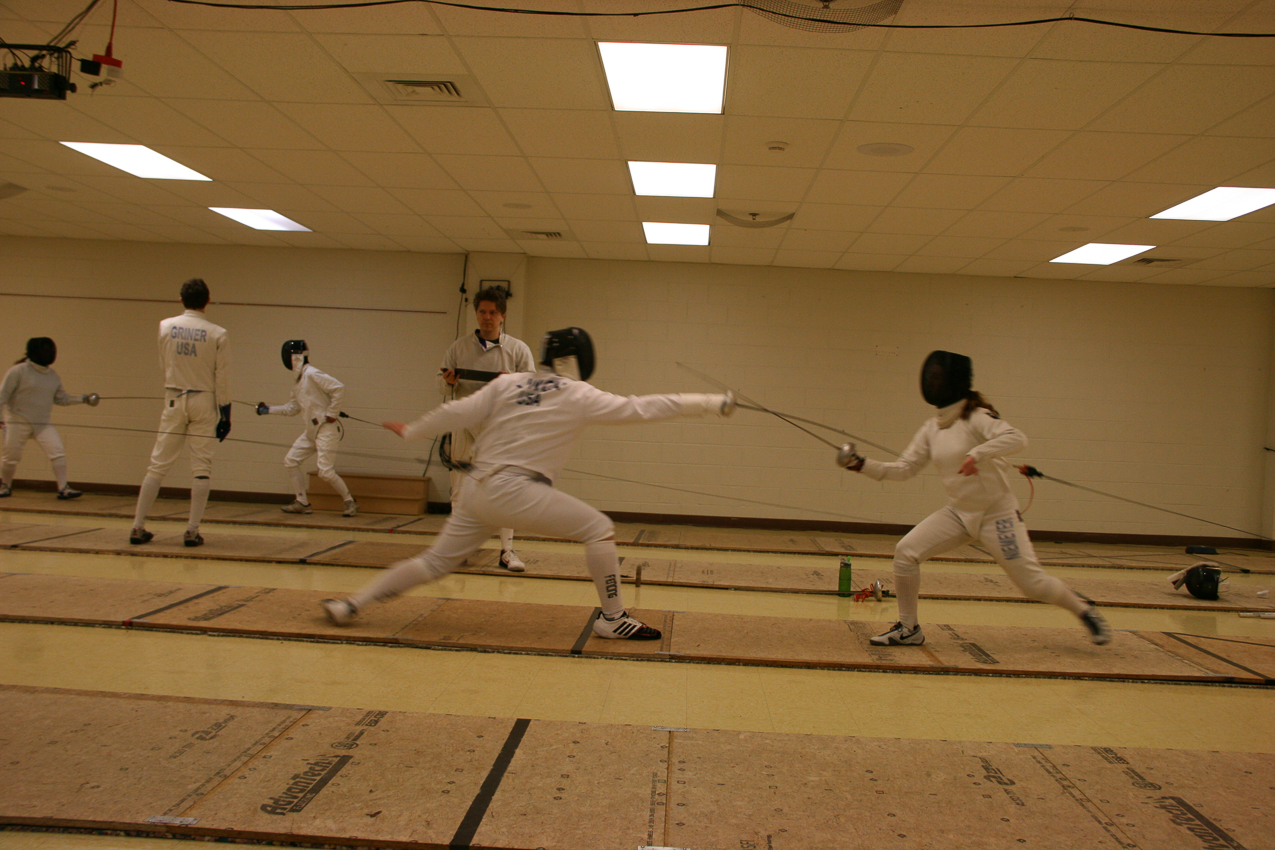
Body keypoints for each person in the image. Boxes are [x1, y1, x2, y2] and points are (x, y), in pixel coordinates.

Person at [322, 327, 734, 640]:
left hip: (474, 489)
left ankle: (350, 605)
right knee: (599, 529)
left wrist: (412, 431)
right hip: (514, 491)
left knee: (433, 562)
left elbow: (458, 412)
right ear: (580, 359)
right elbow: (643, 408)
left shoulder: (508, 382)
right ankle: (612, 619)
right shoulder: (578, 393)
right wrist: (712, 403)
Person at [838, 350, 1111, 647]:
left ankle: (1085, 611)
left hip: (997, 515)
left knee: (1032, 585)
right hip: (958, 514)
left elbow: (1017, 438)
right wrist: (861, 464)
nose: (932, 382)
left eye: (938, 377)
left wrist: (976, 453)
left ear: (953, 381)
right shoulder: (932, 428)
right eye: (930, 377)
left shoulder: (977, 417)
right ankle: (909, 628)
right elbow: (904, 469)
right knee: (906, 552)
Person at [438, 286, 535, 571]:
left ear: (503, 315)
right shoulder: (459, 347)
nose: (487, 317)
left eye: (493, 312)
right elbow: (440, 385)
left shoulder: (518, 349)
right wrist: (449, 382)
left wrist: (513, 382)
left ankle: (507, 551)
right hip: (465, 426)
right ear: (476, 314)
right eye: (482, 312)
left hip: (501, 429)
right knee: (460, 490)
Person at [129, 278, 231, 547]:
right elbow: (222, 377)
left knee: (157, 465)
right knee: (201, 468)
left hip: (174, 397)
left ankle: (138, 528)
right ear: (207, 301)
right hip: (205, 402)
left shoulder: (165, 326)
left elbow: (164, 363)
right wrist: (226, 413)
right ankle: (191, 531)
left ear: (181, 299)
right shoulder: (218, 333)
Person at [256, 339, 357, 517]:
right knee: (291, 460)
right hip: (311, 431)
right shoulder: (297, 382)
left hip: (326, 428)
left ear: (294, 357)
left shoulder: (311, 373)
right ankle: (302, 502)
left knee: (325, 472)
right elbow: (291, 409)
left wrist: (333, 412)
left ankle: (350, 502)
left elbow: (338, 388)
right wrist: (267, 410)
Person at [0, 337, 98, 500]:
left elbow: (61, 399)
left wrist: (84, 399)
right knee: (11, 456)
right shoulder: (18, 371)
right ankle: (5, 486)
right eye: (46, 350)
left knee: (57, 451)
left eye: (51, 350)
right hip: (17, 420)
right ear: (35, 352)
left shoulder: (52, 376)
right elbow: (2, 395)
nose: (50, 354)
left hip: (42, 423)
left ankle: (63, 488)